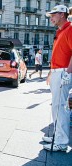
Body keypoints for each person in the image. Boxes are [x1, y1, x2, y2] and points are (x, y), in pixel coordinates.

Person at [43, 5, 72, 151]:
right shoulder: (59, 32)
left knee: (60, 107)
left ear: (62, 14)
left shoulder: (70, 29)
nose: (51, 18)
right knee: (56, 106)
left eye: (53, 15)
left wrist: (68, 72)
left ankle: (61, 142)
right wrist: (50, 73)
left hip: (63, 72)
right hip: (57, 71)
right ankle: (57, 135)